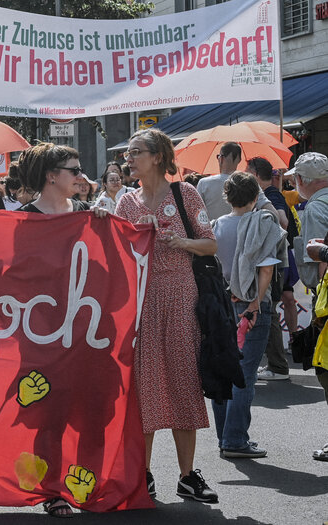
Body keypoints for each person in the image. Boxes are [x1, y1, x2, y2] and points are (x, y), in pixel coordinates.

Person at [115, 128, 219, 504]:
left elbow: (210, 244)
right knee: (143, 388)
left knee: (182, 382)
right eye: (128, 153)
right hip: (140, 301)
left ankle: (187, 476)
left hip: (180, 297)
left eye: (136, 151)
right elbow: (111, 250)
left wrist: (183, 242)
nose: (129, 158)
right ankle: (141, 474)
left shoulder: (185, 193)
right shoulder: (125, 203)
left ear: (158, 156)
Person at [14, 142, 109, 518]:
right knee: (49, 415)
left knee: (91, 414)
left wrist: (112, 228)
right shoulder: (24, 218)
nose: (81, 176)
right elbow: (15, 277)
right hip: (41, 335)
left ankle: (86, 485)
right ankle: (51, 490)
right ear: (52, 176)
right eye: (74, 169)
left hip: (85, 333)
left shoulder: (88, 214)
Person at [209, 172, 286, 460]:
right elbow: (266, 269)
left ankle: (224, 436)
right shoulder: (261, 223)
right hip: (252, 304)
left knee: (223, 371)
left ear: (227, 197)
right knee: (245, 374)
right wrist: (255, 302)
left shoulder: (216, 226)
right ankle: (235, 439)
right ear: (256, 197)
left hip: (222, 303)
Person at [289, 152, 328, 463]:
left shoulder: (314, 207)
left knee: (326, 370)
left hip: (326, 297)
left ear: (301, 181)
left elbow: (313, 265)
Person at [247, 157, 298, 382]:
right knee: (270, 310)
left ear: (256, 174)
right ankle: (276, 364)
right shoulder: (270, 194)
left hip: (275, 261)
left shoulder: (272, 195)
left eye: (248, 171)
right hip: (278, 261)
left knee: (269, 312)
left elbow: (283, 221)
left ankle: (277, 365)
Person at [17, 143, 92, 214]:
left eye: (81, 170)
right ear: (51, 176)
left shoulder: (88, 211)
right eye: (75, 171)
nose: (81, 177)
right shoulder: (21, 220)